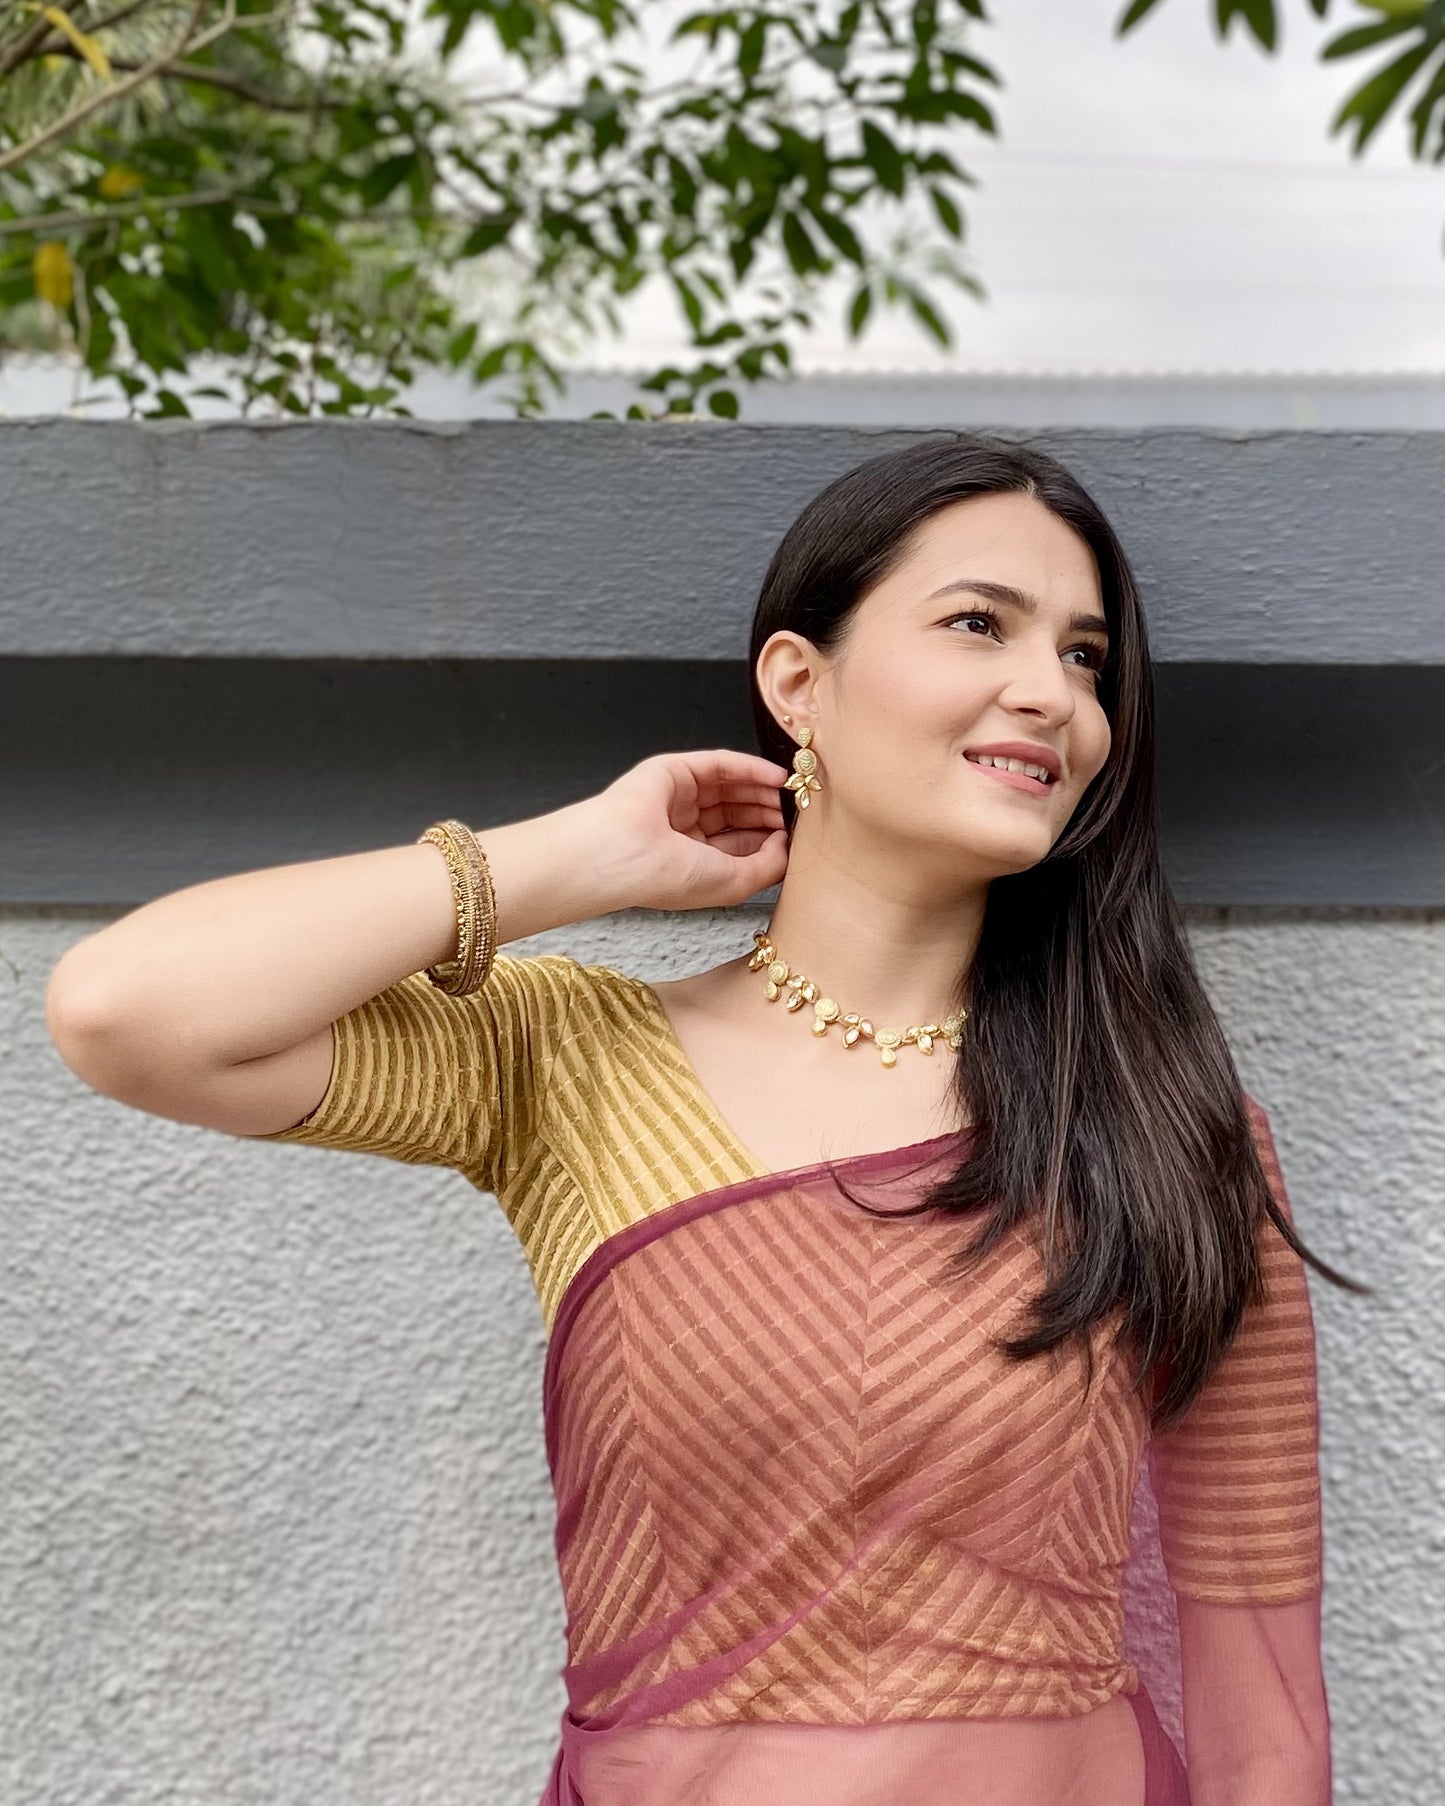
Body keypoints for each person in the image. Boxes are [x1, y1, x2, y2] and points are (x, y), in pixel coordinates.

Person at [45, 434, 1366, 1805]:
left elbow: (1262, 1707)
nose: (1053, 694)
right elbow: (123, 1010)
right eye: (980, 623)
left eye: (1086, 658)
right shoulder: (574, 1062)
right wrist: (574, 858)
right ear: (798, 684)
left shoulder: (1162, 1130)